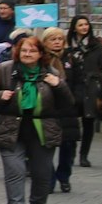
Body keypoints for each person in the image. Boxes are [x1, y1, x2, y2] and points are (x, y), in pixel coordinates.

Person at [0, 34, 74, 204]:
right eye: (24, 50)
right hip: (10, 128)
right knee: (15, 171)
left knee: (42, 174)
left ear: (40, 54)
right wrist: (0, 95)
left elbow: (67, 102)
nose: (27, 54)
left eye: (32, 51)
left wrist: (58, 84)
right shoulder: (6, 69)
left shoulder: (51, 72)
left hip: (41, 130)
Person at [61, 15, 102, 173]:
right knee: (71, 121)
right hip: (71, 87)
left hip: (89, 87)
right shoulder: (67, 45)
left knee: (88, 121)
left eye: (86, 24)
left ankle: (84, 155)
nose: (84, 27)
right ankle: (70, 151)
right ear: (74, 27)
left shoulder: (96, 46)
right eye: (80, 25)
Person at [39, 28, 79, 193]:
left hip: (68, 108)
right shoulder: (41, 60)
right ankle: (49, 179)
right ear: (45, 42)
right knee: (47, 146)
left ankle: (64, 177)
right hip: (48, 108)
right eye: (52, 39)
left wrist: (77, 99)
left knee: (68, 146)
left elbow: (77, 81)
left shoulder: (70, 58)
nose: (57, 42)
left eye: (59, 39)